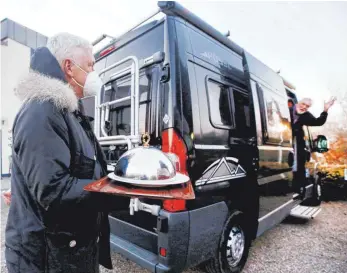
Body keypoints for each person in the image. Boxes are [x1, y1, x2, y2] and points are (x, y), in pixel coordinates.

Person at [5, 33, 129, 273]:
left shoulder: (68, 111)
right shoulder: (42, 110)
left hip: (69, 253)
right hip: (44, 259)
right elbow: (54, 191)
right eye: (91, 65)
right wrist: (120, 191)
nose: (94, 72)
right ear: (69, 67)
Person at [289, 97, 336, 194]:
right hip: (284, 141)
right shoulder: (287, 110)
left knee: (298, 164)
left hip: (296, 145)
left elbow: (318, 122)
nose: (304, 107)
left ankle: (297, 188)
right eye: (303, 104)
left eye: (307, 106)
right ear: (298, 103)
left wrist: (325, 109)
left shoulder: (306, 116)